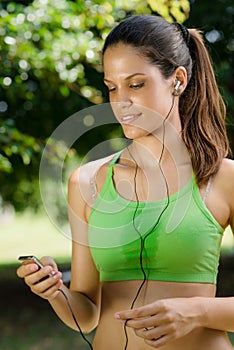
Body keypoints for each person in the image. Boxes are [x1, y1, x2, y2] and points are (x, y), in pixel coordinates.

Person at [17, 14, 234, 350]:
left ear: (177, 80)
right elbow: (87, 313)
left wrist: (197, 311)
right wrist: (56, 291)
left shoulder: (223, 178)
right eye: (112, 87)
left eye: (136, 84)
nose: (121, 102)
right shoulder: (86, 181)